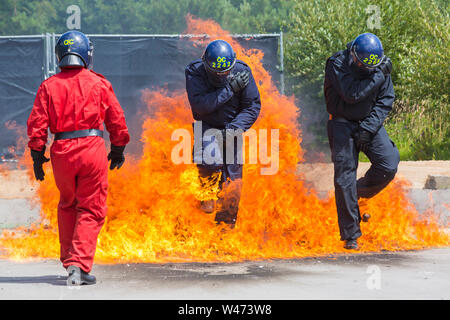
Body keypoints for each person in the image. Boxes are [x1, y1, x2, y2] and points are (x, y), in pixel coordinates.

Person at [27, 30, 130, 285]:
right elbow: (116, 119)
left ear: (60, 54)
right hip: (91, 148)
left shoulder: (48, 86)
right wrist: (117, 148)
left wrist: (37, 155)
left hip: (61, 150)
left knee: (67, 204)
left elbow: (37, 124)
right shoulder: (99, 83)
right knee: (91, 207)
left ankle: (69, 261)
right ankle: (78, 265)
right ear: (86, 55)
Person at [324, 33, 400, 250]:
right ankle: (351, 235)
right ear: (353, 54)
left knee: (388, 164)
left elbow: (386, 99)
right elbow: (352, 94)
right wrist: (378, 74)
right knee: (344, 178)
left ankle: (355, 195)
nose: (365, 68)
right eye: (360, 63)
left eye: (371, 67)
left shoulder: (379, 66)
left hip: (369, 123)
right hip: (341, 124)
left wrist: (368, 128)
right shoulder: (337, 63)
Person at [185, 39, 261, 229]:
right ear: (206, 64)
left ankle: (224, 229)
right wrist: (229, 89)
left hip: (233, 128)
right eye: (217, 73)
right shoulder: (195, 72)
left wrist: (233, 130)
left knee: (233, 182)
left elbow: (252, 106)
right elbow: (201, 106)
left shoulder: (242, 71)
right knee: (209, 161)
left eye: (226, 72)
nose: (222, 76)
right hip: (207, 125)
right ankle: (206, 197)